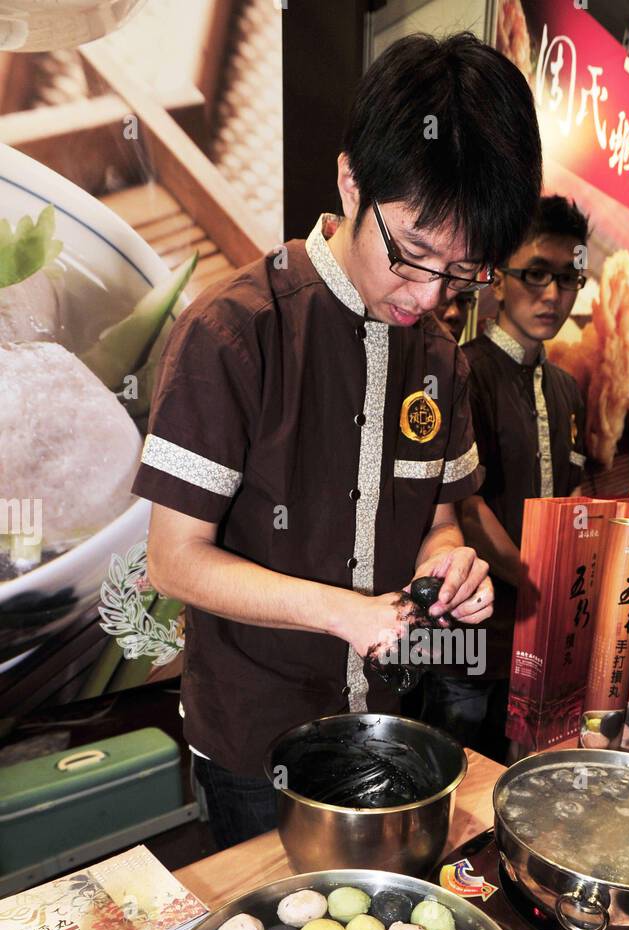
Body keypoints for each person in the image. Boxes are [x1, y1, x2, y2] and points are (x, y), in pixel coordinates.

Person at [131, 33, 542, 848]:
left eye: (464, 273)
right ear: (351, 180)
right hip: (257, 742)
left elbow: (437, 515)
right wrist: (340, 614)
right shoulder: (236, 331)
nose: (428, 295)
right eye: (413, 254)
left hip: (384, 719)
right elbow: (173, 560)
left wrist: (446, 564)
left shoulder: (438, 361)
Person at [422, 195, 588, 760]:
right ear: (496, 280)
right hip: (474, 629)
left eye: (568, 278)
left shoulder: (566, 389)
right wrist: (538, 576)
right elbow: (465, 505)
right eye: (536, 273)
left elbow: (575, 495)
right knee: (457, 770)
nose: (552, 294)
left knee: (522, 776)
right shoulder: (462, 368)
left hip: (542, 633)